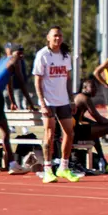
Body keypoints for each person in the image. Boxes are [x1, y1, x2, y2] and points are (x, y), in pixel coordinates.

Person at [32, 26, 80, 184]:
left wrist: (71, 99)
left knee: (69, 133)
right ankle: (47, 170)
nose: (57, 38)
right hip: (48, 102)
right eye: (54, 36)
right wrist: (42, 103)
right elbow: (37, 81)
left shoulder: (65, 55)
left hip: (63, 101)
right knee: (49, 134)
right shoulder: (42, 55)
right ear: (48, 37)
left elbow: (67, 78)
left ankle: (63, 167)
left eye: (60, 35)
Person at [0, 43, 35, 176]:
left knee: (5, 132)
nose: (21, 55)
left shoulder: (4, 61)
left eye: (22, 52)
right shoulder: (14, 60)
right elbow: (21, 83)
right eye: (18, 52)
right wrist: (31, 103)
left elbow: (9, 85)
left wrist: (12, 102)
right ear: (12, 52)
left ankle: (13, 164)